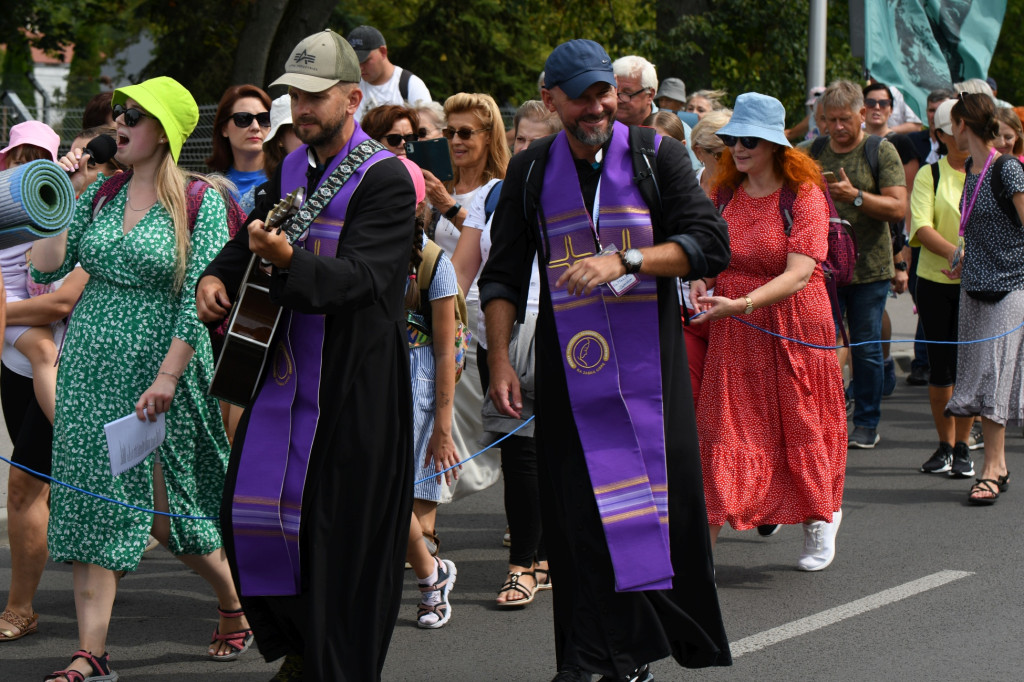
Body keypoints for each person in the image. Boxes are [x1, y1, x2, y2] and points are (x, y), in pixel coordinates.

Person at [479, 39, 731, 681]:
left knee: (652, 507)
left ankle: (636, 650)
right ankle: (588, 656)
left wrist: (629, 259)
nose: (598, 107)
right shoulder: (531, 171)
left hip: (653, 371)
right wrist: (502, 361)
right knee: (577, 518)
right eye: (583, 96)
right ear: (550, 99)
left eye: (605, 94)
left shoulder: (656, 155)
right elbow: (502, 274)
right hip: (571, 375)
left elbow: (709, 244)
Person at [196, 29, 416, 681]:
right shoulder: (292, 165)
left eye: (316, 96)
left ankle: (337, 665)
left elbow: (367, 281)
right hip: (286, 379)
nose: (302, 106)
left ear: (353, 97)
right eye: (295, 93)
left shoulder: (386, 178)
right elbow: (254, 234)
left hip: (353, 389)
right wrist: (218, 274)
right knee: (251, 513)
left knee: (337, 541)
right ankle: (301, 647)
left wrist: (290, 262)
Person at [31, 76, 250, 682]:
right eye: (118, 114)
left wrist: (168, 376)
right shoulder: (101, 194)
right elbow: (47, 271)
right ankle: (90, 655)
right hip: (89, 371)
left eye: (134, 115)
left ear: (166, 132)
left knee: (166, 509)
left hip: (161, 372)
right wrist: (66, 189)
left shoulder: (201, 201)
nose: (119, 124)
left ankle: (235, 603)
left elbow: (196, 300)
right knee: (92, 506)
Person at [689, 92, 847, 568]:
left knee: (801, 425)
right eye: (733, 138)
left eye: (749, 140)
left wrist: (742, 302)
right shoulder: (722, 192)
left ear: (776, 145)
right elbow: (710, 255)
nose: (738, 148)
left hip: (793, 322)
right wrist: (701, 282)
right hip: (735, 329)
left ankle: (822, 518)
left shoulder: (803, 194)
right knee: (726, 429)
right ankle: (701, 559)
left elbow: (800, 272)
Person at [451, 99, 561, 607]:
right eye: (519, 141)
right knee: (520, 455)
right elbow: (459, 273)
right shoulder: (492, 196)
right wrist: (444, 327)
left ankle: (549, 556)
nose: (525, 150)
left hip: (569, 337)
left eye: (536, 142)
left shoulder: (584, 192)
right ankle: (522, 566)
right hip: (499, 337)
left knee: (561, 455)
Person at [0, 122, 92, 645]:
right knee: (31, 487)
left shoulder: (63, 211)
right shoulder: (5, 207)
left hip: (48, 342)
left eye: (38, 157)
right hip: (14, 348)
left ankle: (21, 607)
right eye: (19, 155)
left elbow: (58, 298)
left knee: (28, 484)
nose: (24, 164)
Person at [809, 79, 907, 449]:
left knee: (866, 347)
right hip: (825, 268)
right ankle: (829, 416)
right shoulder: (813, 150)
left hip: (870, 269)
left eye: (845, 119)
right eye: (830, 120)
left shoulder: (880, 150)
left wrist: (857, 196)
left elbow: (898, 208)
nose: (837, 127)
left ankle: (866, 421)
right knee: (824, 346)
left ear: (862, 115)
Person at [944, 92, 1024, 505]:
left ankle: (990, 469)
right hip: (973, 288)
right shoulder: (972, 170)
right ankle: (1001, 464)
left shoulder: (1007, 168)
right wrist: (964, 261)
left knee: (994, 375)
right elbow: (979, 230)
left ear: (962, 124)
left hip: (1010, 288)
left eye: (950, 124)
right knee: (978, 376)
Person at [398, 157, 461, 627]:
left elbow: (445, 352)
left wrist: (443, 427)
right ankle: (430, 573)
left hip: (416, 385)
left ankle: (430, 577)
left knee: (402, 502)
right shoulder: (359, 251)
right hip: (366, 381)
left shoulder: (433, 262)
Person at [908, 98, 976, 476]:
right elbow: (920, 226)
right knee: (941, 369)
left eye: (967, 128)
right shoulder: (929, 174)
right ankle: (945, 445)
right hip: (934, 282)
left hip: (978, 284)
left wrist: (971, 261)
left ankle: (965, 446)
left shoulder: (988, 172)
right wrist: (956, 256)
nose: (963, 137)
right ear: (940, 135)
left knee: (969, 369)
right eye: (955, 130)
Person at [0, 122, 64, 424]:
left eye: (37, 162)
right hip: (7, 296)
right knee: (44, 351)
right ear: (7, 163)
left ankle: (65, 436)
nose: (27, 170)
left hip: (23, 301)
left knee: (45, 352)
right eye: (20, 160)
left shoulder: (52, 205)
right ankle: (67, 436)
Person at [862, 81, 920, 396]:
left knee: (875, 307)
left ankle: (882, 362)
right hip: (850, 238)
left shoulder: (901, 144)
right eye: (870, 101)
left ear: (890, 108)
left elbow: (906, 199)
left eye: (883, 103)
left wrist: (905, 249)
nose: (876, 108)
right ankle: (861, 379)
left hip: (889, 237)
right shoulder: (845, 142)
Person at [682, 109, 732, 407]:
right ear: (699, 152)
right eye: (721, 153)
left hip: (734, 308)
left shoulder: (748, 189)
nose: (734, 158)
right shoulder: (683, 188)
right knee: (691, 395)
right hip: (686, 307)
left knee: (726, 399)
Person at [205, 84, 273, 213]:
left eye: (264, 118)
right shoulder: (210, 189)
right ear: (224, 128)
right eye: (243, 119)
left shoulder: (286, 179)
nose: (255, 127)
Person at [348, 25, 431, 121]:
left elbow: (428, 130)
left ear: (383, 52)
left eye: (365, 60)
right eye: (355, 61)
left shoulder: (411, 85)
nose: (359, 67)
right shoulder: (351, 88)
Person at [612, 55, 657, 127]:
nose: (617, 100)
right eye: (613, 90)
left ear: (650, 95)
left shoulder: (671, 132)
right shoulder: (596, 124)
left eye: (626, 93)